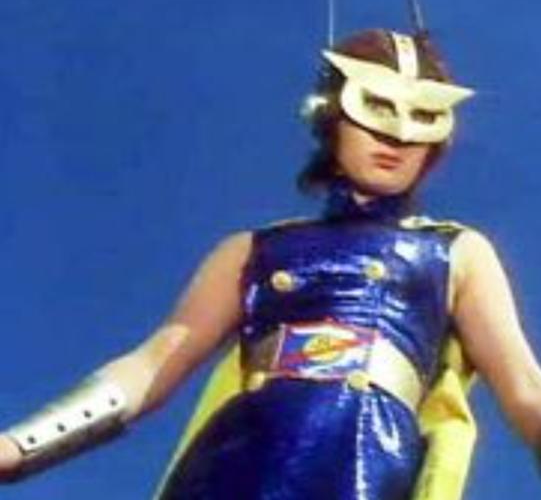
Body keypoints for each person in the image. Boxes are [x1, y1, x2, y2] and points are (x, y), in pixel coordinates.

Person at [1, 28, 541, 500]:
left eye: (424, 117)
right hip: (239, 457)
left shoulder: (454, 250)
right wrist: (20, 444)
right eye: (375, 108)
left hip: (364, 460)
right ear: (331, 115)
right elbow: (153, 364)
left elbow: (525, 388)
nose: (398, 135)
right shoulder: (254, 250)